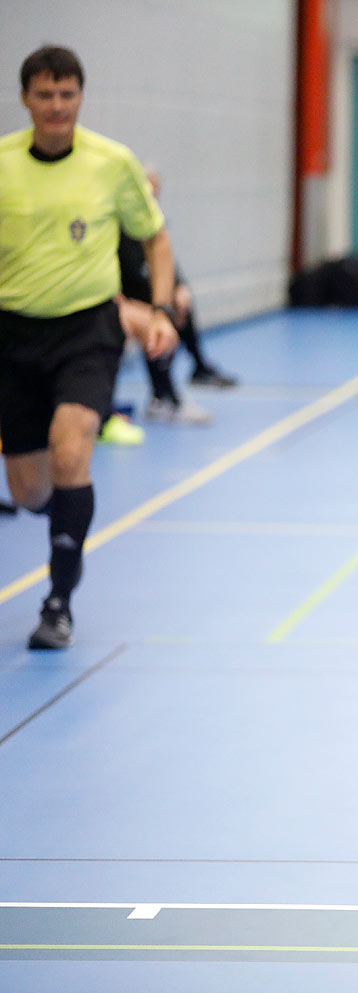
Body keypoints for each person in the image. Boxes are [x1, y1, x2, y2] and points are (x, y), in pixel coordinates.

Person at [0, 45, 177, 649]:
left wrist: (155, 310)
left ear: (80, 97)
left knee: (71, 449)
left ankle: (57, 603)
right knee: (29, 491)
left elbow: (154, 240)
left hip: (87, 330)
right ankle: (70, 518)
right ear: (26, 98)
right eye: (44, 95)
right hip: (15, 332)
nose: (56, 107)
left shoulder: (111, 163)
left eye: (67, 95)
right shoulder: (2, 165)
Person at [118, 167, 236, 427]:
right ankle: (163, 397)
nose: (153, 194)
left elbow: (167, 262)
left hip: (145, 300)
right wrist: (126, 304)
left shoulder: (152, 227)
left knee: (179, 305)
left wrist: (179, 288)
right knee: (154, 324)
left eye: (156, 189)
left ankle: (198, 367)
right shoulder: (117, 227)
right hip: (117, 302)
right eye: (148, 189)